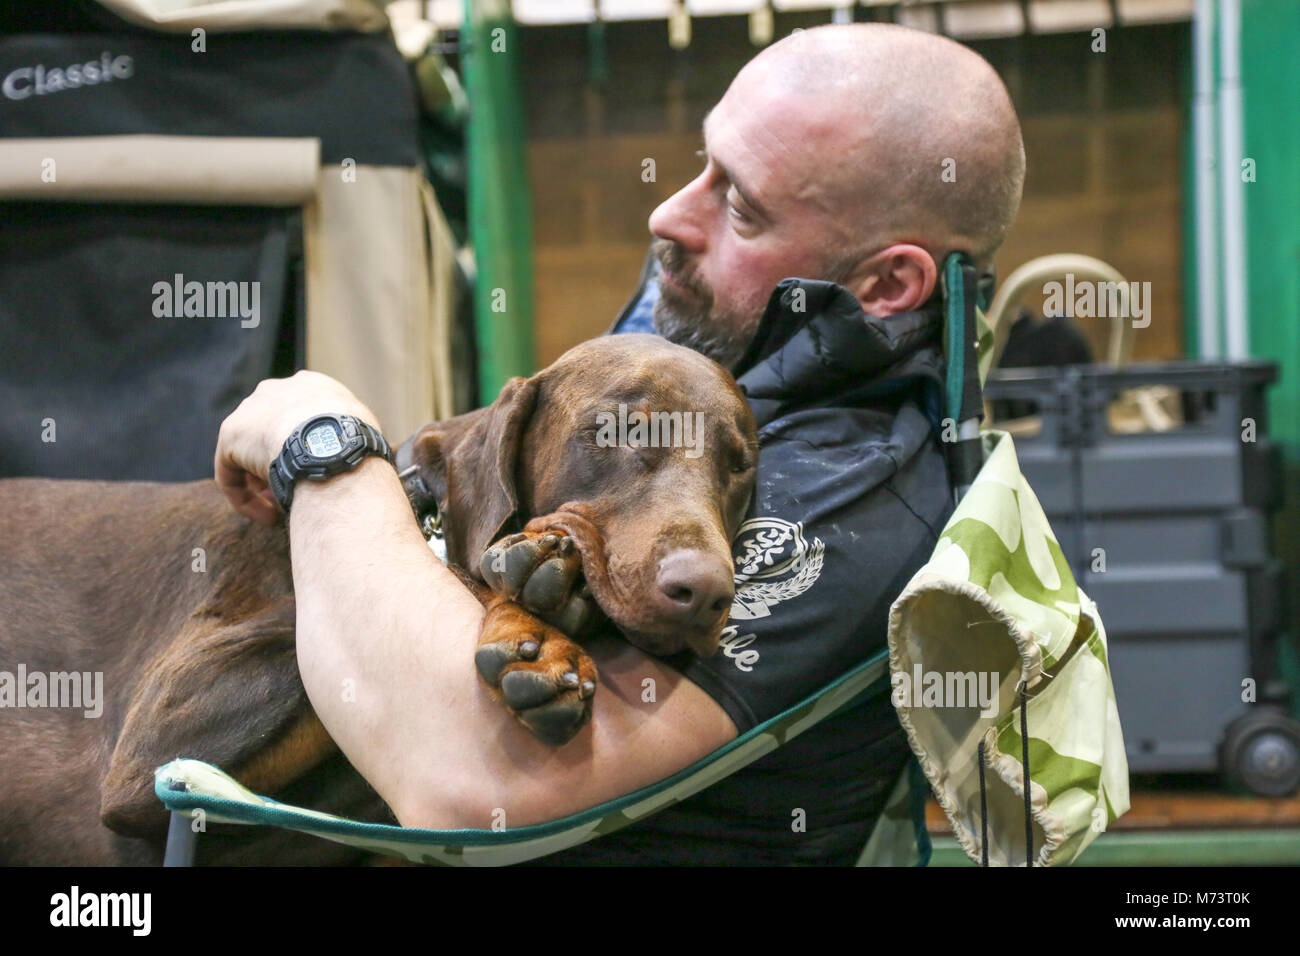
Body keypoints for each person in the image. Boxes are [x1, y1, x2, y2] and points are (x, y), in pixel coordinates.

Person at [215, 22, 1025, 865]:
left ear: (887, 285)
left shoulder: (852, 495)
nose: (670, 213)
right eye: (704, 165)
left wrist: (321, 439)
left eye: (740, 205)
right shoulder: (728, 362)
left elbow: (464, 788)